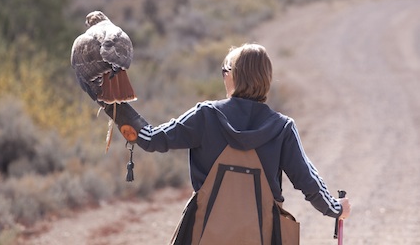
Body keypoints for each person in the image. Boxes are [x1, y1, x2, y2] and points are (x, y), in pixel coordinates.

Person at [105, 43, 351, 242]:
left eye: (225, 70)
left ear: (235, 76)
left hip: (204, 235)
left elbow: (151, 139)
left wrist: (110, 101)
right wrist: (336, 208)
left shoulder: (205, 115)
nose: (223, 76)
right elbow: (309, 183)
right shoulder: (282, 128)